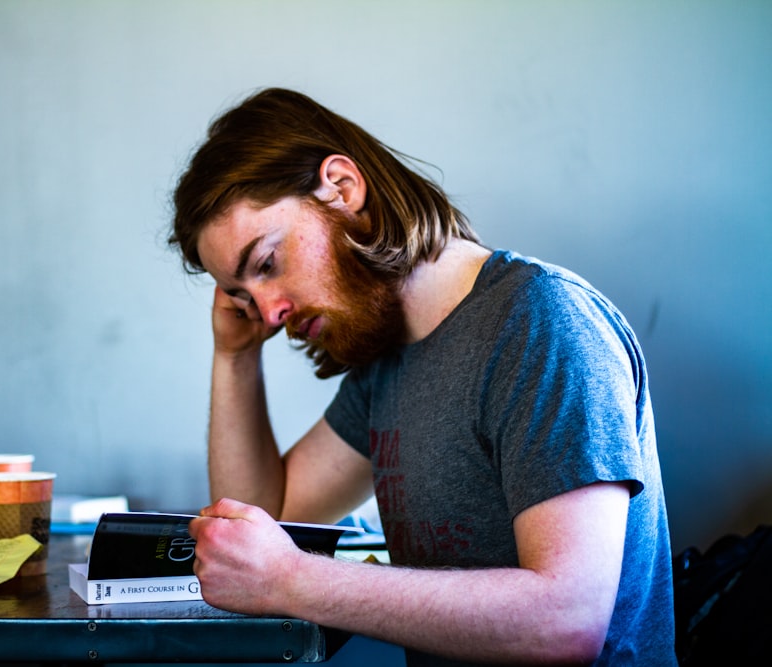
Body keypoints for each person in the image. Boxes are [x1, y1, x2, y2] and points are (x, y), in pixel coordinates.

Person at [168, 87, 675, 666]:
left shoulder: (541, 321)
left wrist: (294, 581)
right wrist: (234, 356)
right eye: (242, 295)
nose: (268, 312)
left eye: (266, 264)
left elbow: (565, 622)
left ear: (341, 188)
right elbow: (264, 517)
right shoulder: (391, 359)